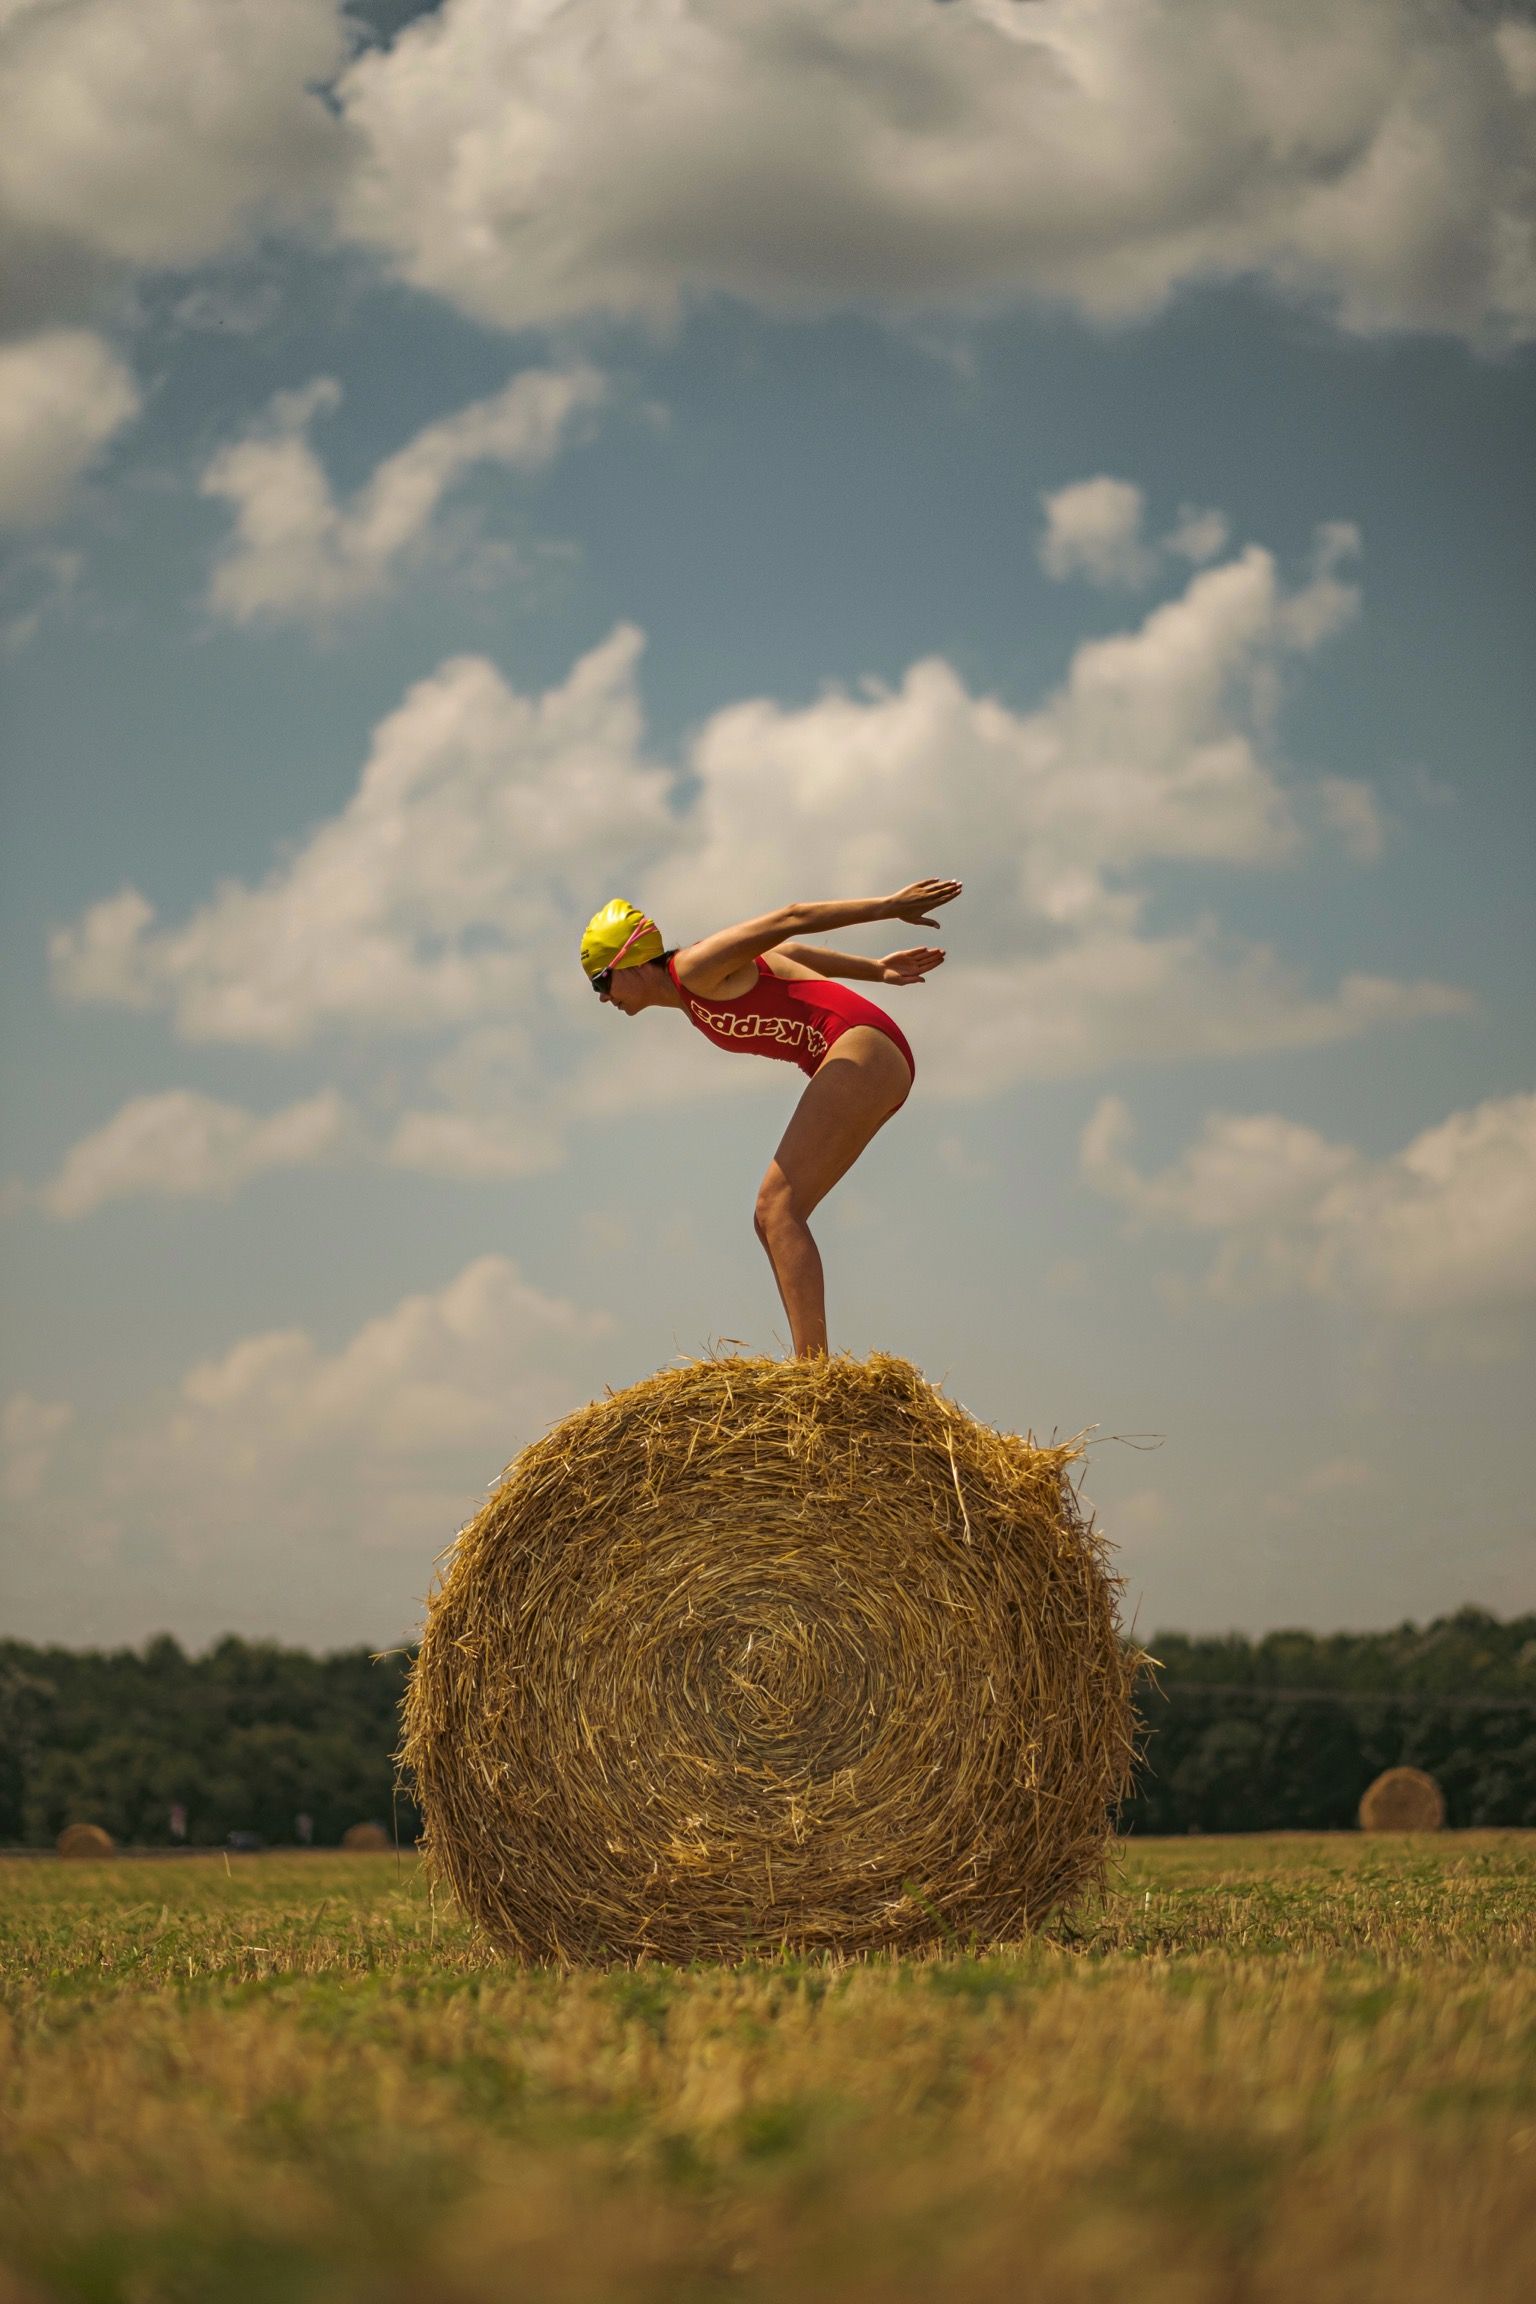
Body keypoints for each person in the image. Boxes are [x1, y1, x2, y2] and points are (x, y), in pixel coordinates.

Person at [580, 880, 962, 1357]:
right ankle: (811, 1368)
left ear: (633, 962)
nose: (602, 998)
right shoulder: (694, 988)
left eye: (601, 981)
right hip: (868, 1058)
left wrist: (888, 906)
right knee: (772, 1218)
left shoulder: (693, 968)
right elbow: (789, 954)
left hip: (861, 1047)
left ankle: (812, 1374)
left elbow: (791, 918)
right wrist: (875, 969)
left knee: (776, 1207)